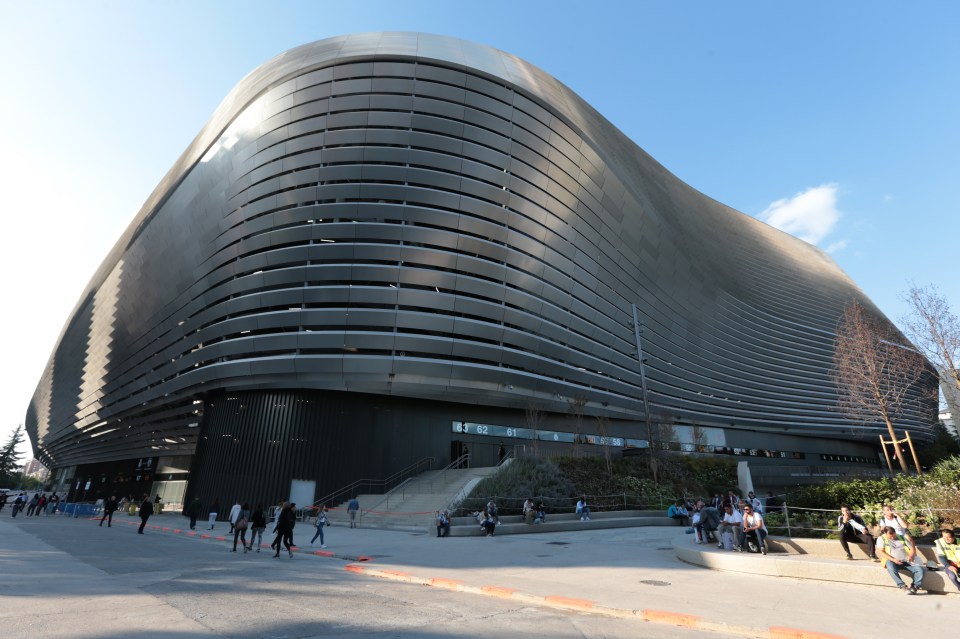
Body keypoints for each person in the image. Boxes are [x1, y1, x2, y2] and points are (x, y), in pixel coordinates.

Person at [875, 525, 925, 594]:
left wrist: (911, 556)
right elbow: (881, 552)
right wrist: (893, 560)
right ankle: (902, 585)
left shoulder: (901, 537)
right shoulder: (881, 539)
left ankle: (915, 586)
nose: (893, 537)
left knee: (920, 570)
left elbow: (912, 548)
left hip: (906, 561)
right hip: (892, 561)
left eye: (894, 535)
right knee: (890, 567)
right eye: (891, 536)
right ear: (885, 533)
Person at [934, 528, 960, 592]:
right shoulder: (940, 542)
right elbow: (941, 556)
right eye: (944, 537)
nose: (946, 539)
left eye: (949, 537)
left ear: (954, 537)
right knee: (952, 576)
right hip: (949, 564)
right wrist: (948, 565)